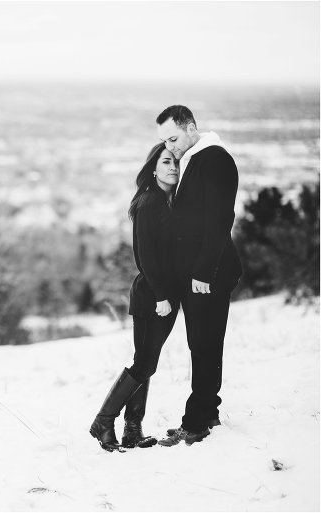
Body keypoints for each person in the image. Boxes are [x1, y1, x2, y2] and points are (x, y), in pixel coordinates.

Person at [155, 105, 242, 447]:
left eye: (174, 138)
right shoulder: (195, 157)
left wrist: (204, 270)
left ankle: (196, 423)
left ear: (191, 128)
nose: (171, 147)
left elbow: (221, 219)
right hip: (198, 273)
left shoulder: (214, 158)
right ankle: (209, 412)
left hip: (210, 273)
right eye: (165, 141)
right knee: (201, 344)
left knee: (204, 344)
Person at [89, 143, 180, 452]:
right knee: (143, 364)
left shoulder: (169, 202)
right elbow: (146, 258)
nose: (172, 167)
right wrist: (163, 296)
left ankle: (132, 429)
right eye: (166, 162)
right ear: (153, 169)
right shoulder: (149, 203)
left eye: (176, 163)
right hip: (152, 296)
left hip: (165, 296)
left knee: (147, 363)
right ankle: (103, 421)